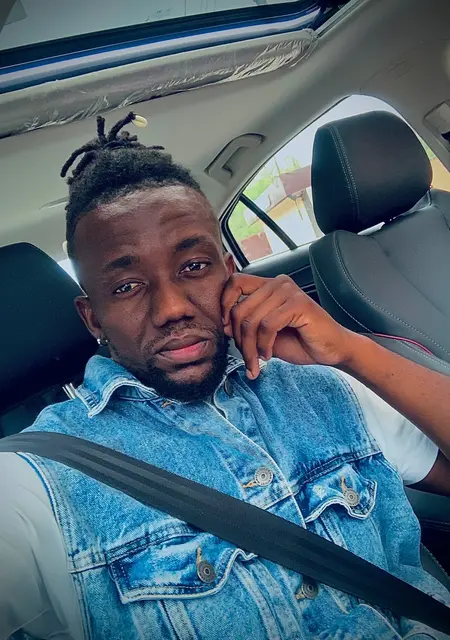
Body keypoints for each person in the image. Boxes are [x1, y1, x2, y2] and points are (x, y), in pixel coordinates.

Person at [1, 112, 450, 640]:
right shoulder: (34, 480)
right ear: (92, 318)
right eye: (126, 286)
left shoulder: (323, 383)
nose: (172, 308)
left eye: (193, 267)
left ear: (231, 273)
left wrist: (351, 352)